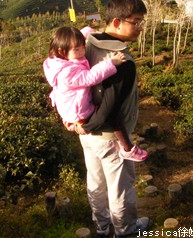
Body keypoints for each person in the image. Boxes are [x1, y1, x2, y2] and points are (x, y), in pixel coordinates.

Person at [74, 0, 150, 238]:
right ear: (117, 22)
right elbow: (111, 109)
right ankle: (125, 228)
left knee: (95, 180)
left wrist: (81, 125)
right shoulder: (122, 61)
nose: (140, 28)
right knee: (120, 185)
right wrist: (92, 126)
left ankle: (102, 224)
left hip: (86, 132)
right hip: (108, 135)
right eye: (135, 21)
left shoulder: (88, 43)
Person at [42, 26, 148, 162]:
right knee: (112, 114)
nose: (82, 51)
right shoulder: (66, 73)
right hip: (78, 111)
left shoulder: (57, 61)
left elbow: (78, 37)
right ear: (62, 51)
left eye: (82, 46)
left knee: (96, 179)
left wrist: (88, 31)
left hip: (70, 107)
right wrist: (111, 63)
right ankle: (127, 149)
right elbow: (89, 77)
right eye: (77, 49)